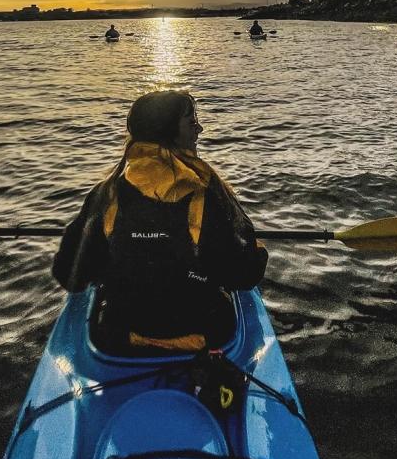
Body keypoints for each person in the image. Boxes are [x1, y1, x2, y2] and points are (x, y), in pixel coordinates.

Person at [53, 90, 268, 352]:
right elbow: (244, 276)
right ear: (170, 133)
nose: (199, 129)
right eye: (191, 122)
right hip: (207, 335)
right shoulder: (209, 193)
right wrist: (258, 252)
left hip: (118, 337)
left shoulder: (105, 194)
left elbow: (70, 277)